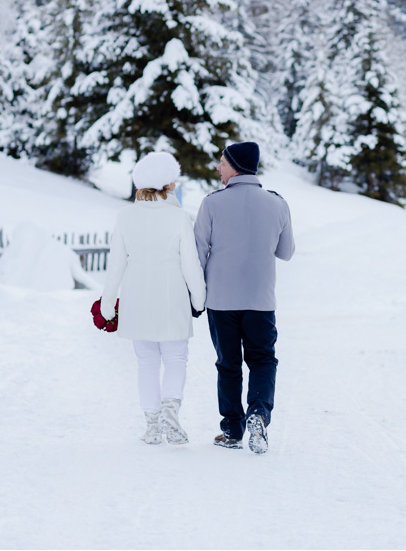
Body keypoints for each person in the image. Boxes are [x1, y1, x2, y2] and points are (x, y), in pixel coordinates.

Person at [194, 141, 295, 454]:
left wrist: (194, 296)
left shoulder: (212, 203)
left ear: (235, 166)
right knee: (263, 360)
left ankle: (233, 430)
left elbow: (197, 252)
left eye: (222, 163)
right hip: (261, 301)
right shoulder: (277, 204)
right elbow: (286, 252)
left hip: (221, 301)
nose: (219, 168)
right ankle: (259, 414)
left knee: (228, 365)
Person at [100, 151, 207, 445]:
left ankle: (151, 425)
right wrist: (199, 300)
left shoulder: (125, 216)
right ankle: (170, 416)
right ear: (168, 185)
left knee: (146, 363)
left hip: (136, 301)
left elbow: (115, 264)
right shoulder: (178, 217)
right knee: (175, 359)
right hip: (172, 301)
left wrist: (107, 304)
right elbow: (191, 264)